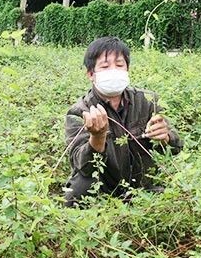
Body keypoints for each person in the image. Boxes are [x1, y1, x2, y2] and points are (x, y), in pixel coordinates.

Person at [64, 37, 183, 207]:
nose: (113, 71)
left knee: (177, 198)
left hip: (142, 186)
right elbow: (82, 166)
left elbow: (176, 148)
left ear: (127, 69)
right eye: (105, 66)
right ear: (91, 74)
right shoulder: (79, 112)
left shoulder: (147, 101)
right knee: (75, 195)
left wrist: (165, 137)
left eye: (119, 65)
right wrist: (97, 138)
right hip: (102, 187)